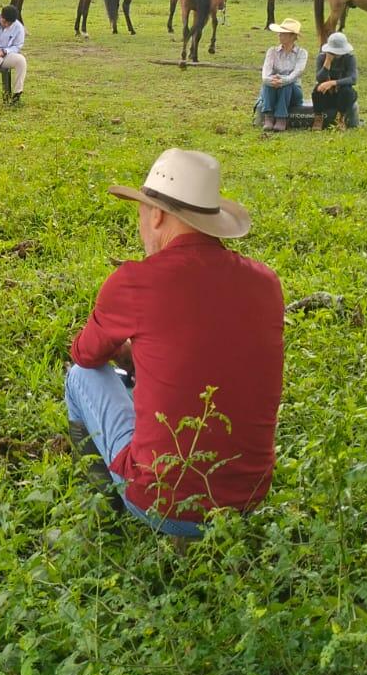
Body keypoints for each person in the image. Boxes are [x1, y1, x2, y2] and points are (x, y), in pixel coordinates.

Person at [64, 148, 284, 539]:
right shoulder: (266, 283)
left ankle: (113, 508)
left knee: (81, 376)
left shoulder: (135, 281)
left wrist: (122, 350)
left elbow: (84, 352)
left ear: (158, 215)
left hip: (161, 502)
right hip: (247, 501)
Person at [258, 17, 308, 132]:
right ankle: (269, 116)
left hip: (293, 92)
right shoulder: (272, 51)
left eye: (283, 33)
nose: (279, 35)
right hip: (273, 88)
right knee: (267, 84)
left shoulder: (302, 53)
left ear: (292, 36)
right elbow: (265, 74)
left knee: (288, 84)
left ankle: (281, 117)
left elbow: (296, 73)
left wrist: (282, 80)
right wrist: (272, 80)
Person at [312, 31, 358, 129]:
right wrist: (327, 62)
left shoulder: (350, 58)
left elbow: (353, 79)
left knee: (348, 91)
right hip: (328, 95)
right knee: (317, 90)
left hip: (342, 96)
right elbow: (319, 78)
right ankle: (318, 118)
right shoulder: (321, 57)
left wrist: (333, 83)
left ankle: (341, 118)